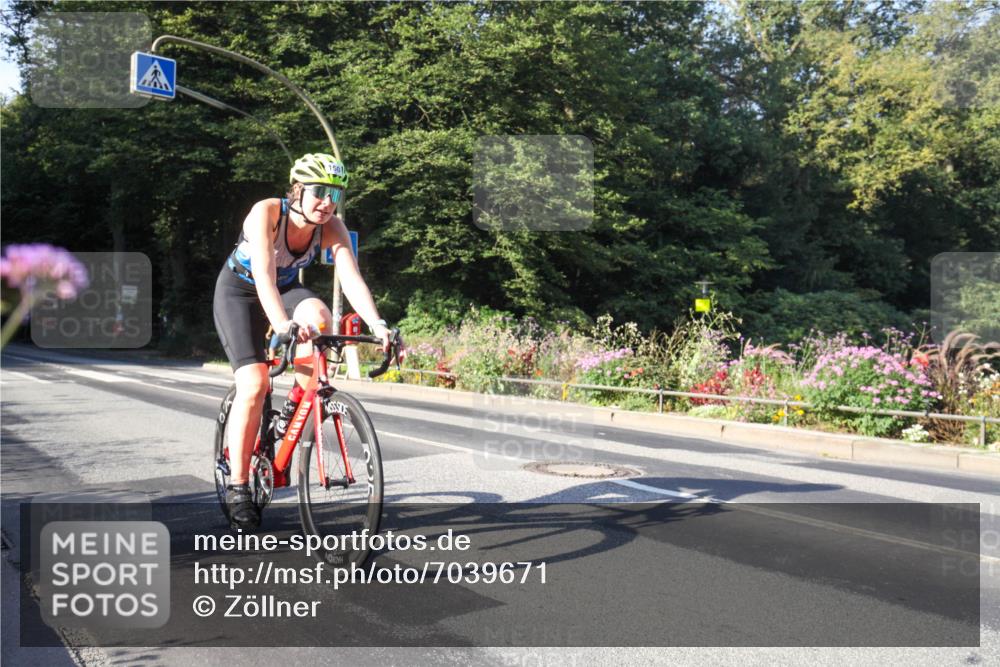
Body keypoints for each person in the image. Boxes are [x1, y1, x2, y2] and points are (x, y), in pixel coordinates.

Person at [213, 153, 394, 531]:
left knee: (321, 318)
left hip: (285, 289)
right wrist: (282, 324)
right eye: (319, 192)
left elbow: (351, 278)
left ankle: (296, 402)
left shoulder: (333, 228)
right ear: (297, 191)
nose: (327, 202)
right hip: (240, 292)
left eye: (335, 195)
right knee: (255, 383)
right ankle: (238, 486)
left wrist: (378, 324)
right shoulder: (265, 213)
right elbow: (263, 275)